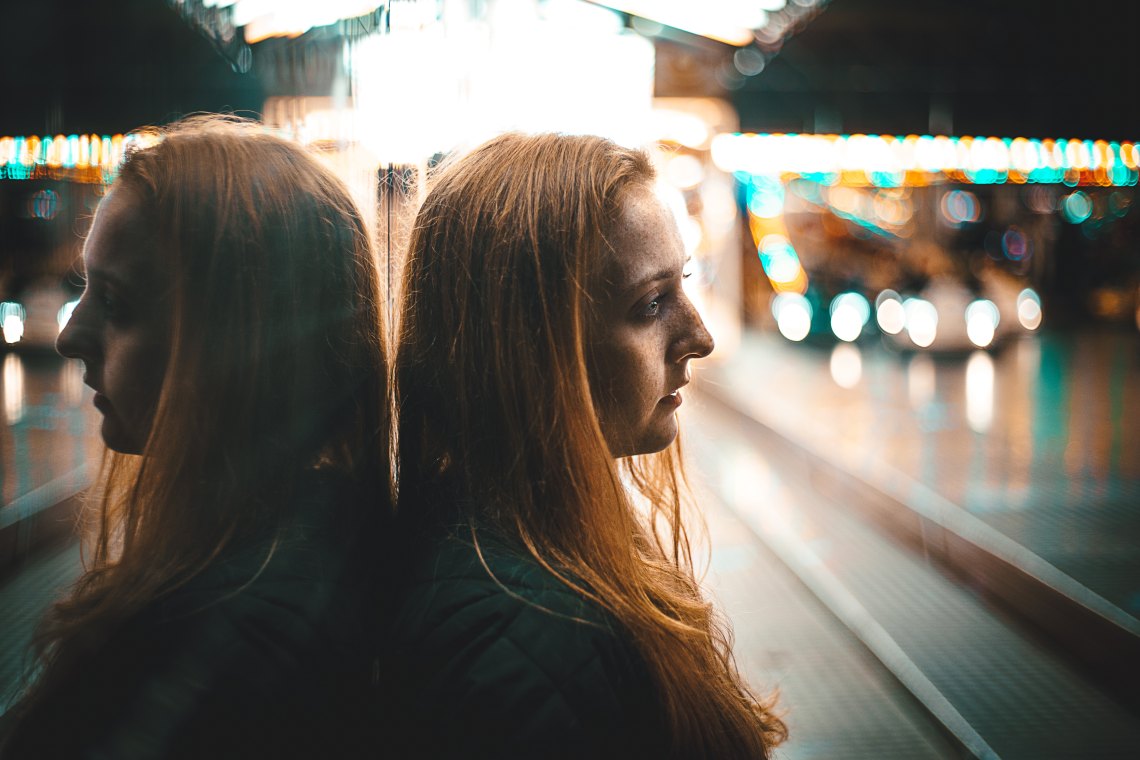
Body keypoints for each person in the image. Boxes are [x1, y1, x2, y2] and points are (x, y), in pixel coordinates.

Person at [386, 132, 786, 759]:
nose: (700, 337)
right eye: (652, 303)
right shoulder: (516, 638)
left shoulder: (537, 548)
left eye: (685, 282)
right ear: (532, 347)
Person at [0, 115, 389, 758]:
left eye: (117, 304)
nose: (70, 338)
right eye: (83, 288)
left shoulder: (213, 633)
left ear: (238, 342)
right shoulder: (320, 541)